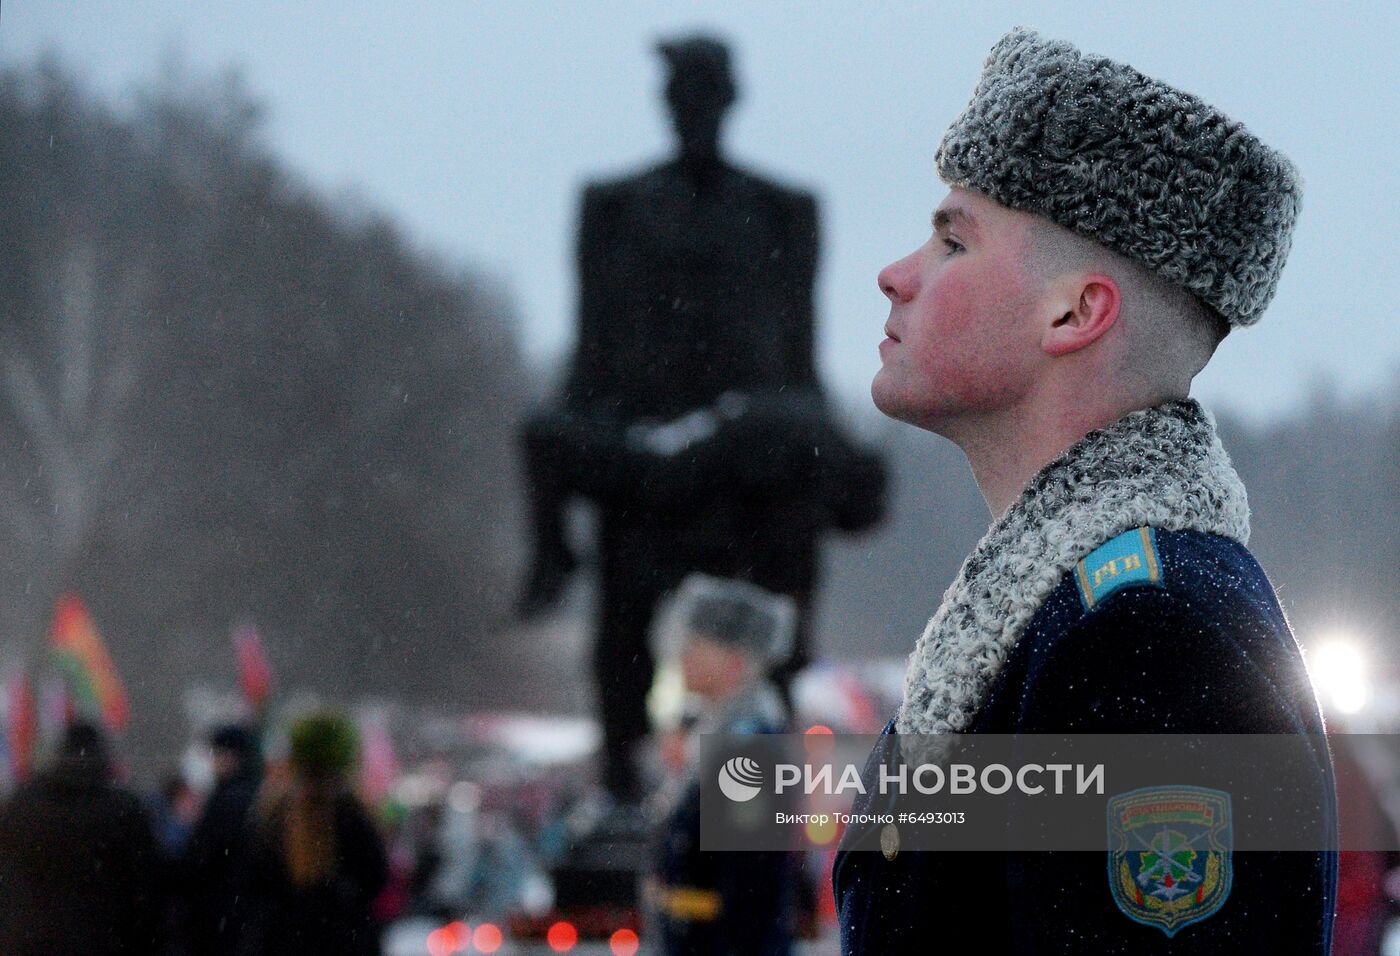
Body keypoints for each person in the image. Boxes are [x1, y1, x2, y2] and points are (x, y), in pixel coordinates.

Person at [832, 27, 1336, 954]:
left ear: (1074, 312)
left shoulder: (1145, 634)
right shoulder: (1086, 608)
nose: (895, 274)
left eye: (952, 240)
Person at [516, 33, 885, 805]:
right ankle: (623, 776)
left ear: (727, 103)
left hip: (747, 460)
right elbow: (590, 350)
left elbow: (799, 354)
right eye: (682, 96)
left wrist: (829, 448)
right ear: (669, 104)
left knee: (770, 621)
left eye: (704, 96)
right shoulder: (612, 207)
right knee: (622, 630)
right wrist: (574, 443)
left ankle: (756, 787)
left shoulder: (784, 211)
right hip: (645, 456)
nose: (693, 113)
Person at [649, 574, 799, 955]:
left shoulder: (749, 749)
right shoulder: (717, 737)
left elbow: (750, 893)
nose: (682, 657)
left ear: (734, 662)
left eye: (697, 646)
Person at [0, 721, 164, 955]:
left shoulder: (22, 805)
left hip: (31, 939)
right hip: (103, 939)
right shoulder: (122, 809)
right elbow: (145, 884)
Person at [241, 711, 388, 956]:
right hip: (345, 941)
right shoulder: (352, 813)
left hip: (287, 941)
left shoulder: (274, 815)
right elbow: (375, 878)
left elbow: (254, 883)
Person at [183, 724, 262, 956]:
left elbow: (202, 859)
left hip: (222, 916)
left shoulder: (227, 800)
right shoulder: (258, 796)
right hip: (244, 916)